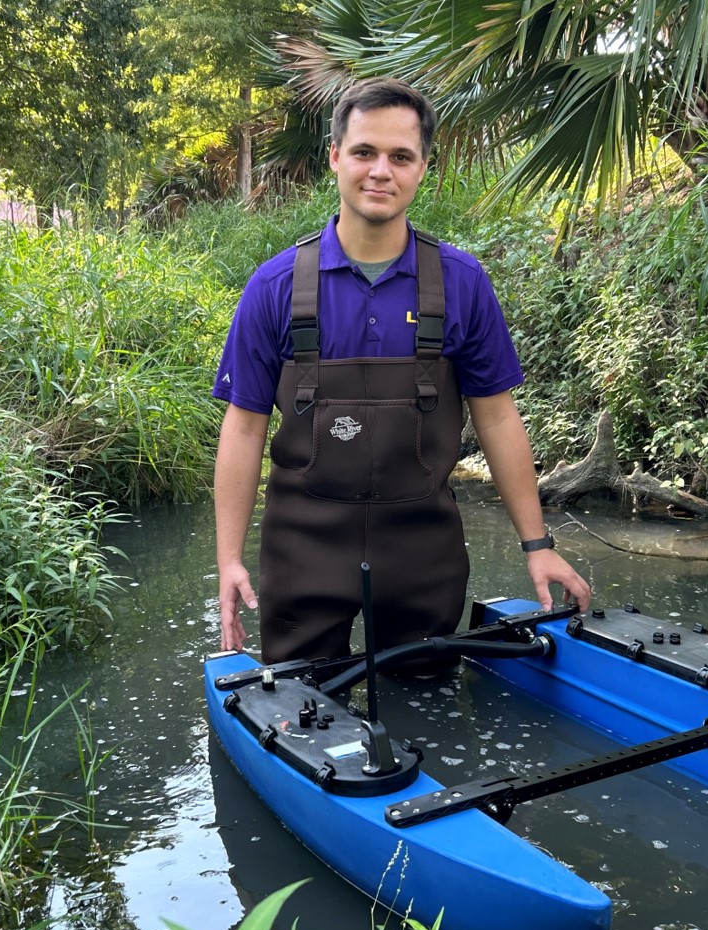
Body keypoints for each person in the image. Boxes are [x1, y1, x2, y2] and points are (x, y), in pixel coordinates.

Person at [213, 77, 591, 663]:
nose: (380, 171)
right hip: (301, 550)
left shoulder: (464, 285)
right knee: (299, 708)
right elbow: (243, 428)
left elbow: (496, 420)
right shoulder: (274, 288)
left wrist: (536, 544)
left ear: (422, 169)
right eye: (364, 152)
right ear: (336, 157)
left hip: (423, 550)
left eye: (400, 156)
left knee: (429, 708)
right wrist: (229, 561)